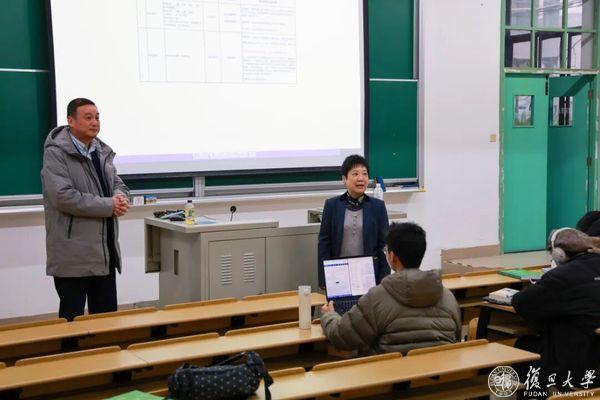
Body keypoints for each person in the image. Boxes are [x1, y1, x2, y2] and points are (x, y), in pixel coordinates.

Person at [41, 98, 130, 321]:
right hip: (73, 255)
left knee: (106, 321)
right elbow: (63, 197)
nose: (95, 122)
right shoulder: (56, 153)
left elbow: (118, 183)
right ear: (70, 121)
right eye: (88, 117)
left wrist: (120, 197)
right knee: (72, 322)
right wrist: (109, 205)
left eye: (97, 117)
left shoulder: (101, 151)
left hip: (104, 253)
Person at [320, 222, 461, 355]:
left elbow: (342, 336)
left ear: (392, 257)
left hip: (392, 371)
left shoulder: (376, 297)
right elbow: (456, 338)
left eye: (386, 250)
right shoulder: (447, 296)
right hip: (440, 370)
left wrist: (329, 315)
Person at [512, 228, 600, 393]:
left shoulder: (562, 276)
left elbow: (521, 303)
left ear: (558, 254)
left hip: (577, 363)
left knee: (522, 345)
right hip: (593, 357)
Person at [317, 155, 390, 289]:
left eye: (364, 174)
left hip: (369, 276)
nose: (361, 178)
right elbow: (324, 244)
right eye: (355, 174)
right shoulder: (332, 205)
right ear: (344, 179)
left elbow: (383, 246)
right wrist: (324, 279)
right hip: (339, 274)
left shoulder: (377, 207)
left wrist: (384, 280)